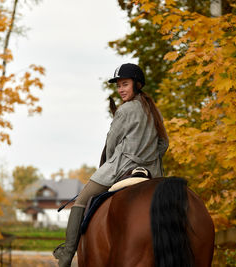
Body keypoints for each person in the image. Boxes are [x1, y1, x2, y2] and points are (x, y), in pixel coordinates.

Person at [53, 63, 169, 267]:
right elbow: (164, 143)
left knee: (81, 200)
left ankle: (66, 254)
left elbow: (111, 144)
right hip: (152, 172)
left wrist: (124, 157)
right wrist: (149, 157)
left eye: (125, 84)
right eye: (119, 86)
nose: (121, 89)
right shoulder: (153, 110)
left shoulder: (124, 111)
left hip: (120, 168)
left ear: (137, 84)